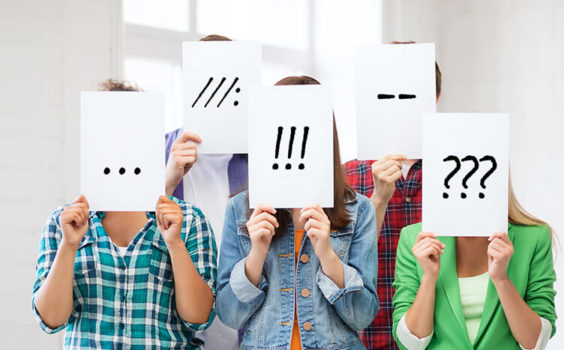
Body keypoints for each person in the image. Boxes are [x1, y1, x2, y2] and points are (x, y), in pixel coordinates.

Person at [32, 80, 217, 349]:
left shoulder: (189, 220)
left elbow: (199, 318)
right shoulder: (62, 224)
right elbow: (51, 320)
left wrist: (175, 244)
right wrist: (69, 246)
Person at [216, 76, 380, 350]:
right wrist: (256, 253)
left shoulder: (358, 209)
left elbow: (362, 316)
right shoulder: (240, 208)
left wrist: (328, 255)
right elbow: (229, 315)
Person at [344, 40, 442, 349]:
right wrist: (377, 200)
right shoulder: (345, 177)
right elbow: (337, 268)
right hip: (366, 338)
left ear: (434, 99)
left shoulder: (454, 173)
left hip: (439, 339)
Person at [392, 183, 557, 349]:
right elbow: (411, 344)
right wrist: (428, 278)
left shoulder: (535, 237)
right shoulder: (414, 238)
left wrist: (501, 280)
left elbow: (534, 342)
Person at [164, 33, 247, 350]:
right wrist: (168, 181)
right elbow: (128, 237)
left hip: (248, 333)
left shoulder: (263, 159)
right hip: (177, 334)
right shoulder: (158, 151)